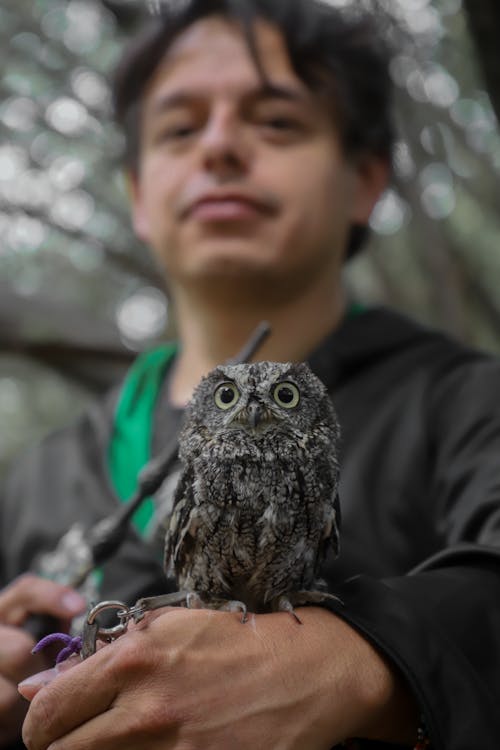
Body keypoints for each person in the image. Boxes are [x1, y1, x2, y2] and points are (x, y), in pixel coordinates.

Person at [1, 0, 500, 747]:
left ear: (366, 180)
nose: (221, 148)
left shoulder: (470, 403)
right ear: (138, 196)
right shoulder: (39, 474)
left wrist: (368, 663)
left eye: (276, 122)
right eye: (180, 127)